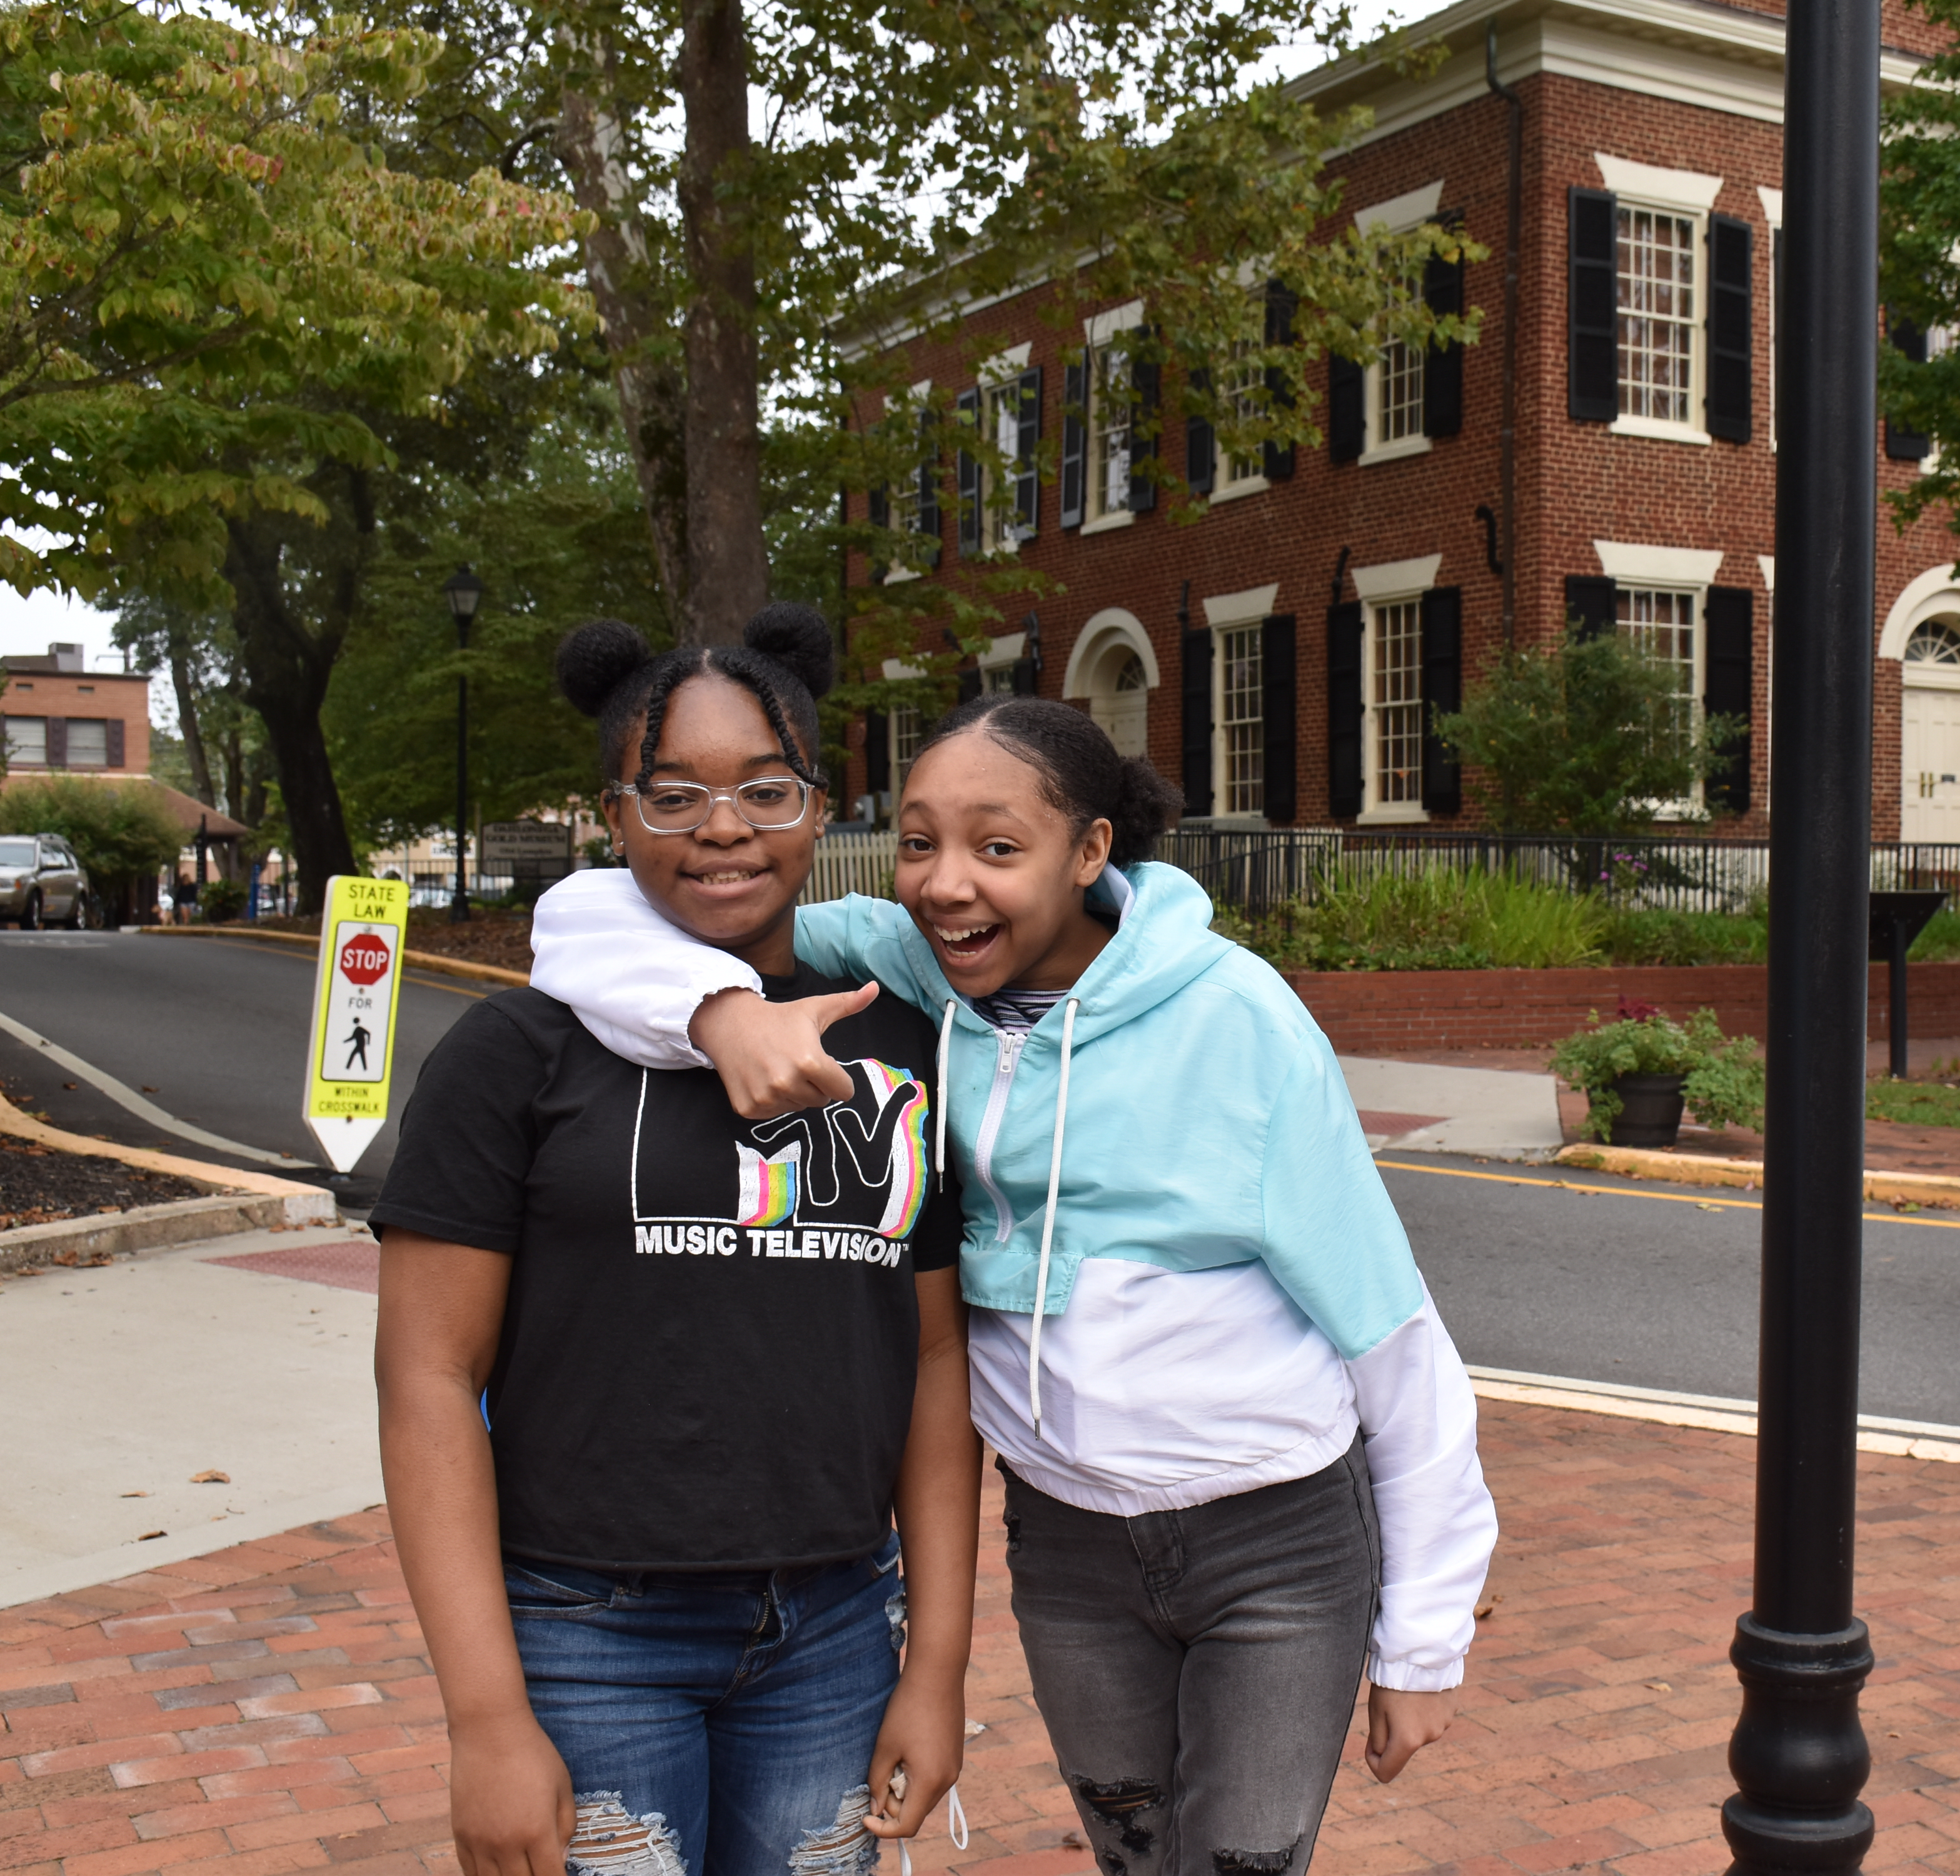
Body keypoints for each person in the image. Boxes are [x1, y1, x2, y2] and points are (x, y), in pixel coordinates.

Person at [529, 692, 1497, 1876]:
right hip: (1069, 1544)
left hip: (1276, 1538)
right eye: (921, 842)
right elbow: (588, 913)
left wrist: (1425, 1641)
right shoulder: (917, 971)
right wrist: (720, 1010)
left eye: (998, 848)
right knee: (1137, 1854)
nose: (946, 885)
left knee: (1241, 1862)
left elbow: (1394, 1340)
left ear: (1090, 850)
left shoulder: (1239, 1021)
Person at [373, 607, 977, 1876]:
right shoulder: (516, 1055)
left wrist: (936, 1667)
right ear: (613, 817)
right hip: (588, 1632)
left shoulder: (894, 1050)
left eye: (766, 790)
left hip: (832, 1629)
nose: (722, 828)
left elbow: (932, 1364)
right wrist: (484, 1717)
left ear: (821, 806)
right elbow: (426, 1377)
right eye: (674, 796)